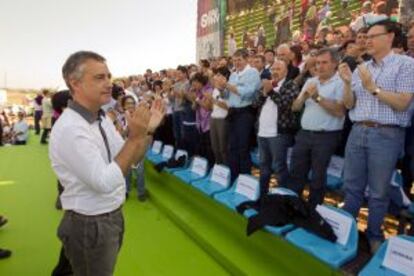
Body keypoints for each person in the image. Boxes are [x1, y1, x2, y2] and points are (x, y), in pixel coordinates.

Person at [49, 51, 165, 275]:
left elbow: (130, 160)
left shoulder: (100, 117)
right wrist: (134, 137)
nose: (109, 83)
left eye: (109, 76)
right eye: (99, 77)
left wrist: (147, 131)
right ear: (75, 83)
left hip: (109, 217)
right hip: (90, 224)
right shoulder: (71, 129)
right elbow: (104, 181)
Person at [338, 20, 414, 253]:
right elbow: (349, 105)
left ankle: (374, 235)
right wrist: (348, 84)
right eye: (365, 36)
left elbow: (403, 103)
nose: (366, 41)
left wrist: (373, 88)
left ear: (390, 37)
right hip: (357, 130)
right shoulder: (364, 68)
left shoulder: (406, 65)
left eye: (372, 36)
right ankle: (345, 232)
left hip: (387, 134)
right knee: (351, 187)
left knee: (379, 191)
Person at [287, 48, 346, 208]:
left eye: (324, 62)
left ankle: (313, 212)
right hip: (304, 134)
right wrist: (304, 97)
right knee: (295, 173)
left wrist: (317, 97)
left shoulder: (341, 83)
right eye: (317, 63)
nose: (320, 66)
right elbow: (295, 107)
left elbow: (340, 111)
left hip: (326, 137)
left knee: (318, 177)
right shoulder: (310, 81)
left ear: (335, 64)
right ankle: (291, 208)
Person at [254, 59, 300, 196]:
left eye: (278, 69)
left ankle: (283, 199)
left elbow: (287, 105)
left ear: (286, 71)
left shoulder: (290, 84)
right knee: (263, 167)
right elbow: (255, 103)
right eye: (273, 69)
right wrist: (265, 92)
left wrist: (271, 92)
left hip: (278, 134)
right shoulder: (267, 84)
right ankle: (263, 197)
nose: (274, 72)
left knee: (279, 168)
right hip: (262, 133)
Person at [217, 49, 261, 181]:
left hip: (245, 113)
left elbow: (248, 92)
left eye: (239, 60)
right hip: (233, 113)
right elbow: (227, 96)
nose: (236, 63)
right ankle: (234, 178)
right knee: (231, 147)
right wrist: (221, 89)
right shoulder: (233, 75)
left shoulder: (253, 72)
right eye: (234, 60)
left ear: (246, 59)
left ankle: (245, 180)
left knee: (243, 147)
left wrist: (227, 86)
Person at [209, 67, 231, 164]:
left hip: (223, 120)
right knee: (215, 147)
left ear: (224, 76)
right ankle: (218, 167)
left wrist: (213, 100)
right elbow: (212, 106)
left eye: (218, 75)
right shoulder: (215, 89)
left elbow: (228, 107)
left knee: (223, 148)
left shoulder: (229, 88)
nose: (215, 77)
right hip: (213, 118)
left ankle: (226, 169)